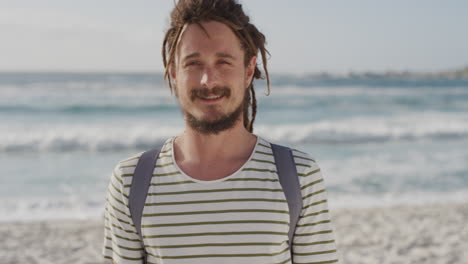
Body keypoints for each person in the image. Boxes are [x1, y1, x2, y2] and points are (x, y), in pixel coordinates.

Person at [102, 0, 339, 263]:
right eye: (193, 63)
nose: (208, 80)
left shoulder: (299, 176)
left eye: (223, 62)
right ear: (173, 74)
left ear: (248, 71)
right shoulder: (131, 182)